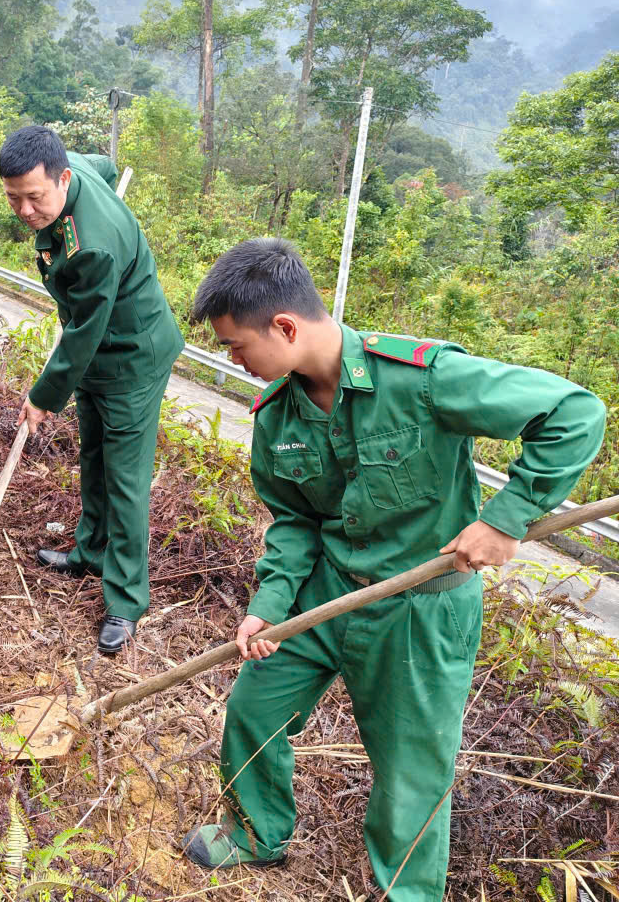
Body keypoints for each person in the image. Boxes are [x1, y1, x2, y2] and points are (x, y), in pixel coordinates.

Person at [181, 238, 606, 900]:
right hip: (325, 595)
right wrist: (270, 602)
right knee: (254, 709)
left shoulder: (421, 378)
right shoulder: (277, 415)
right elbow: (294, 521)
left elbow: (574, 413)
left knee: (410, 772)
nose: (233, 358)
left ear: (285, 327)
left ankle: (406, 892)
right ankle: (257, 835)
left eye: (236, 346)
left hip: (419, 607)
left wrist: (506, 518)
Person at [0, 126, 183, 654]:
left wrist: (42, 396)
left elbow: (83, 332)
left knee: (125, 479)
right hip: (97, 357)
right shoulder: (74, 165)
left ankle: (126, 600)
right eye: (14, 197)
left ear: (62, 179)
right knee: (94, 455)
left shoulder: (94, 248)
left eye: (35, 197)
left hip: (132, 357)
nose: (25, 210)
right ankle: (90, 552)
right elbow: (104, 164)